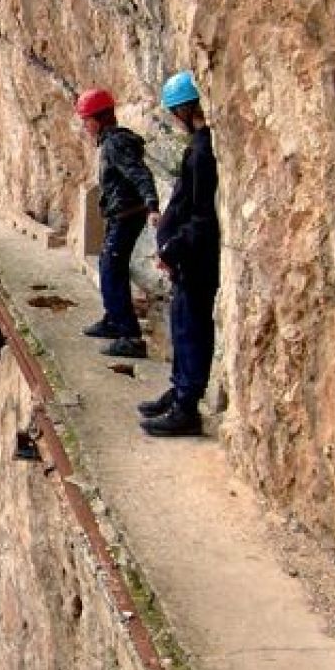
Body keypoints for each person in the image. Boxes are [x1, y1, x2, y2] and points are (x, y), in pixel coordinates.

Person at [139, 71, 221, 437]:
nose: (173, 120)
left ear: (186, 109)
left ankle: (186, 405)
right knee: (182, 325)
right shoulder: (199, 148)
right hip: (188, 259)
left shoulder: (203, 152)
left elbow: (201, 216)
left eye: (175, 112)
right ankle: (179, 390)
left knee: (191, 329)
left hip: (194, 260)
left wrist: (172, 249)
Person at [76, 88, 160, 359]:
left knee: (111, 270)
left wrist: (151, 203)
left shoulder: (115, 144)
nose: (85, 126)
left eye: (86, 120)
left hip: (126, 216)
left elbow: (139, 173)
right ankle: (114, 319)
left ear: (97, 120)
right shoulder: (113, 141)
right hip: (121, 215)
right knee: (110, 266)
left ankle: (130, 336)